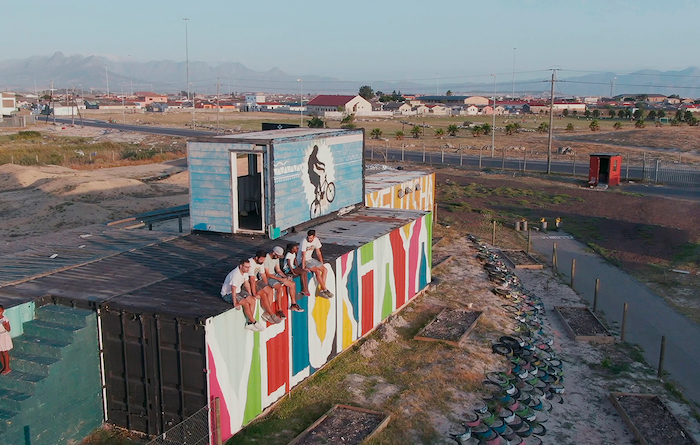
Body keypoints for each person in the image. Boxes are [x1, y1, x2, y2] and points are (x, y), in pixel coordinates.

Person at [220, 260, 265, 332]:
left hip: (238, 291)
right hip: (228, 294)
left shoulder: (245, 272)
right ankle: (254, 322)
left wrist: (250, 295)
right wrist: (235, 303)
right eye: (246, 267)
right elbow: (233, 289)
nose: (248, 269)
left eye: (249, 267)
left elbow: (246, 284)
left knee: (252, 300)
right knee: (246, 303)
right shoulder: (235, 275)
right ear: (241, 266)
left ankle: (249, 323)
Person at [265, 246, 305, 315]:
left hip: (274, 274)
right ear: (274, 253)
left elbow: (278, 270)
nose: (278, 258)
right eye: (278, 256)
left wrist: (285, 277)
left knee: (292, 284)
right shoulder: (266, 258)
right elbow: (267, 274)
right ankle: (279, 309)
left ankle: (293, 304)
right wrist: (280, 279)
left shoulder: (276, 258)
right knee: (279, 288)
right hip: (267, 276)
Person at [248, 251, 282, 324]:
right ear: (256, 258)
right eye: (261, 260)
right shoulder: (250, 263)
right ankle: (271, 313)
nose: (263, 261)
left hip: (256, 280)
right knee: (263, 294)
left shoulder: (260, 263)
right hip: (248, 281)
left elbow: (263, 274)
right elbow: (252, 279)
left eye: (264, 260)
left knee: (270, 290)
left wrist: (266, 285)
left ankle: (266, 313)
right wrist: (254, 293)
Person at [299, 229, 333, 298]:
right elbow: (303, 256)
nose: (309, 239)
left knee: (325, 270)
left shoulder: (316, 240)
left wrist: (321, 262)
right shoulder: (304, 241)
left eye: (311, 238)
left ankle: (321, 290)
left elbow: (318, 252)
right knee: (317, 271)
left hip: (310, 258)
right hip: (304, 260)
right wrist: (303, 267)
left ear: (314, 237)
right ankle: (325, 289)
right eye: (308, 238)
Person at [0, 304, 13, 374]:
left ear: (2, 311)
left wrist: (5, 325)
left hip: (3, 336)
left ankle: (7, 368)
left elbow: (8, 329)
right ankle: (3, 366)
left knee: (5, 352)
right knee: (0, 352)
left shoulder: (5, 319)